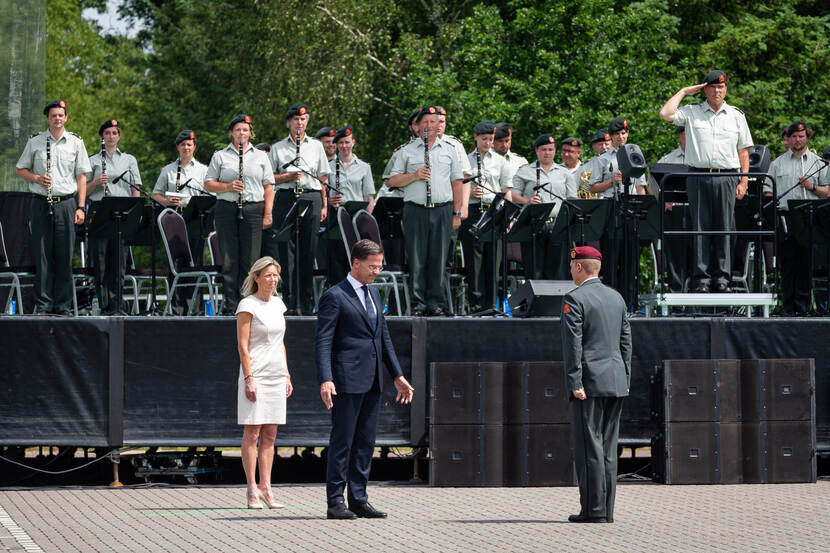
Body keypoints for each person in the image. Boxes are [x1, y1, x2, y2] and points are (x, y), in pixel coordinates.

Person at [315, 239, 414, 519]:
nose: (376, 272)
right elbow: (322, 342)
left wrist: (398, 375)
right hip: (346, 380)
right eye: (372, 267)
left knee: (365, 443)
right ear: (355, 263)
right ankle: (335, 501)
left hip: (372, 381)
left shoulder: (374, 294)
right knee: (342, 441)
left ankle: (358, 498)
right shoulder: (334, 296)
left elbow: (383, 338)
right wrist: (326, 378)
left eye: (379, 267)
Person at [660, 70, 752, 293]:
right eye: (712, 87)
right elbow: (665, 114)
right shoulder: (692, 112)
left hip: (727, 176)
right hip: (698, 175)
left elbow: (743, 151)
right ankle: (701, 278)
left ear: (726, 89)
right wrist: (683, 91)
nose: (717, 90)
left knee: (724, 228)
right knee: (700, 229)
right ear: (705, 89)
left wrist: (744, 180)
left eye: (721, 87)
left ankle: (722, 278)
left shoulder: (736, 115)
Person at [561, 246, 631, 524]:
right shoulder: (616, 298)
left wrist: (574, 381)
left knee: (589, 447)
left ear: (579, 267)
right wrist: (625, 378)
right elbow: (626, 343)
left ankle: (594, 510)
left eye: (571, 265)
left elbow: (573, 344)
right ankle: (607, 509)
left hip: (588, 383)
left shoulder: (574, 299)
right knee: (608, 448)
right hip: (615, 380)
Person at [386, 105, 466, 316]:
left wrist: (457, 213)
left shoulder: (449, 149)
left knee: (439, 259)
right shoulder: (405, 151)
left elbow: (457, 183)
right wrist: (413, 176)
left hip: (442, 210)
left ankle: (436, 303)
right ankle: (418, 304)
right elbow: (391, 180)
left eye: (433, 121)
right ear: (418, 125)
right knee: (417, 259)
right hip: (415, 210)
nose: (429, 126)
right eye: (425, 122)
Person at [16, 99, 90, 315]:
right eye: (53, 115)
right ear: (48, 118)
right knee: (42, 256)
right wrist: (37, 178)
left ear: (66, 117)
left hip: (67, 204)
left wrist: (81, 207)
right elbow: (21, 170)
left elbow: (82, 177)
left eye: (61, 115)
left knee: (65, 256)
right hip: (40, 203)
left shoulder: (76, 143)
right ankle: (44, 305)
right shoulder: (35, 141)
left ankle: (63, 306)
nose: (57, 118)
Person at [236, 256, 293, 509]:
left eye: (275, 275)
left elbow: (280, 342)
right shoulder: (247, 305)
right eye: (268, 275)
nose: (272, 279)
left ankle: (266, 488)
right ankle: (251, 489)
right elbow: (242, 345)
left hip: (276, 374)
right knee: (253, 431)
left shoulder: (279, 305)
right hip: (256, 373)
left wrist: (287, 374)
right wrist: (249, 379)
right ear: (256, 277)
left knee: (271, 433)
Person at [204, 114, 275, 315]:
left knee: (251, 259)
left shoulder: (260, 156)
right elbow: (208, 183)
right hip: (227, 209)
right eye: (237, 130)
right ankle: (230, 304)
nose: (241, 133)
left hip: (253, 209)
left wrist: (268, 213)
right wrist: (227, 186)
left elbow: (268, 187)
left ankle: (248, 304)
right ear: (231, 133)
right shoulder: (220, 156)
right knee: (229, 258)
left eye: (245, 130)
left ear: (250, 133)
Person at [265, 103, 330, 314]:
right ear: (289, 123)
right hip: (285, 197)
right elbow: (268, 177)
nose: (299, 123)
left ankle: (306, 301)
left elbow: (323, 177)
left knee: (308, 250)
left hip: (310, 197)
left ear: (307, 121)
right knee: (287, 251)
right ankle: (290, 301)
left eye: (303, 120)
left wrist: (324, 204)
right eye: (295, 120)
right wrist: (287, 177)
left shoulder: (316, 146)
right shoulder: (278, 147)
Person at [766, 121, 830, 314]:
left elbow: (827, 192)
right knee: (787, 263)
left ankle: (803, 307)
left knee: (804, 262)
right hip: (785, 216)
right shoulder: (777, 163)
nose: (798, 140)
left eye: (801, 136)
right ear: (789, 139)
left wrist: (812, 187)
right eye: (794, 136)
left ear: (806, 137)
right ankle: (787, 306)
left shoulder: (819, 163)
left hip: (809, 217)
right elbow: (768, 191)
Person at [85, 118, 142, 314]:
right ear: (102, 136)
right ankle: (104, 304)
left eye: (115, 133)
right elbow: (82, 189)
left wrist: (136, 212)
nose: (111, 136)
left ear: (119, 136)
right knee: (101, 261)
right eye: (107, 133)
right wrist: (96, 182)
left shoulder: (129, 159)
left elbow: (136, 189)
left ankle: (118, 303)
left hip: (123, 211)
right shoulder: (92, 160)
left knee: (119, 261)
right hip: (100, 209)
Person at [153, 130, 212, 315]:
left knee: (195, 263)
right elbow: (156, 194)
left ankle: (194, 308)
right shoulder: (168, 170)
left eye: (189, 144)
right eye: (182, 144)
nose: (186, 147)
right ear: (177, 147)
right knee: (176, 264)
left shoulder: (204, 170)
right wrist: (167, 202)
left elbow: (211, 197)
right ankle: (176, 309)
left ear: (194, 147)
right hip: (174, 219)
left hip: (195, 219)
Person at [462, 120, 513, 312]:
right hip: (474, 210)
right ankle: (475, 305)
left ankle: (492, 304)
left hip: (494, 211)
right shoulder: (465, 160)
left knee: (494, 258)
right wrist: (470, 194)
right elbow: (460, 187)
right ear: (475, 138)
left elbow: (506, 190)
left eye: (491, 139)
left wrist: (508, 217)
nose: (488, 143)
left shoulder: (500, 161)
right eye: (484, 139)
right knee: (474, 261)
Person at [511, 134, 578, 279]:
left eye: (550, 149)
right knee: (535, 271)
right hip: (533, 225)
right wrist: (527, 201)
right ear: (536, 150)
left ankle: (556, 301)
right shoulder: (525, 171)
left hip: (558, 225)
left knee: (557, 272)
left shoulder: (564, 173)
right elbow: (513, 195)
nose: (547, 153)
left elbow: (572, 199)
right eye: (543, 149)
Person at [327, 125, 376, 282]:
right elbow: (322, 193)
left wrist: (367, 223)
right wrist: (328, 200)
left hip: (355, 218)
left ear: (353, 142)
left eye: (347, 142)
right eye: (340, 143)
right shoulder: (327, 167)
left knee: (356, 260)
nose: (344, 146)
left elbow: (368, 198)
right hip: (335, 218)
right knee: (336, 261)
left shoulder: (364, 167)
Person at [649, 127, 691, 293]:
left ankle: (697, 296)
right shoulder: (668, 159)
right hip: (675, 214)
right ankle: (677, 295)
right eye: (685, 134)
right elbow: (651, 183)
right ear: (680, 136)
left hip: (698, 213)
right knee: (674, 257)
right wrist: (663, 199)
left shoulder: (704, 158)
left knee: (698, 256)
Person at [587, 117, 646, 197]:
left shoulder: (635, 156)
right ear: (611, 135)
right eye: (617, 134)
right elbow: (592, 188)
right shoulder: (602, 159)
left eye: (623, 133)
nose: (621, 137)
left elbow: (640, 187)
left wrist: (642, 207)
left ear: (627, 133)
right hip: (611, 204)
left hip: (633, 203)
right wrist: (612, 181)